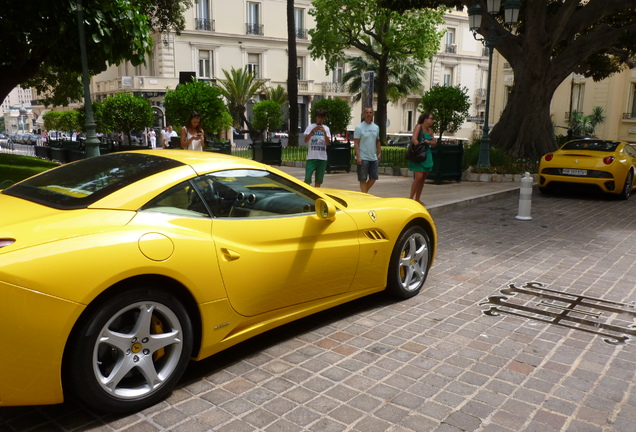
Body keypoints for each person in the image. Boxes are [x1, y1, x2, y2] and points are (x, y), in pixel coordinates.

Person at [408, 113, 437, 204]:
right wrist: (419, 148)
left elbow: (434, 142)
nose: (433, 121)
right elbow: (414, 138)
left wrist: (430, 142)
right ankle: (411, 197)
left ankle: (418, 198)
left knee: (423, 178)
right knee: (419, 177)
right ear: (425, 119)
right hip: (419, 153)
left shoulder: (430, 131)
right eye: (431, 118)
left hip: (427, 154)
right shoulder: (419, 127)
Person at [353, 107, 382, 193]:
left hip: (373, 157)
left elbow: (378, 141)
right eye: (367, 113)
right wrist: (358, 156)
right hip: (363, 157)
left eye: (370, 112)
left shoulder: (376, 127)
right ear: (364, 114)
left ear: (373, 114)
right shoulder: (359, 128)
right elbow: (356, 143)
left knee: (373, 178)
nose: (369, 114)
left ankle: (363, 194)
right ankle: (364, 196)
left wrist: (379, 153)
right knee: (362, 179)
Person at [303, 108, 331, 187]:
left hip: (322, 158)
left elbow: (328, 143)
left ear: (324, 119)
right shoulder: (310, 127)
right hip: (311, 157)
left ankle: (316, 194)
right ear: (316, 117)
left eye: (322, 118)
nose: (320, 119)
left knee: (319, 180)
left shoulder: (326, 129)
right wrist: (313, 131)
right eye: (319, 117)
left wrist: (324, 133)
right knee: (307, 178)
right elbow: (305, 140)